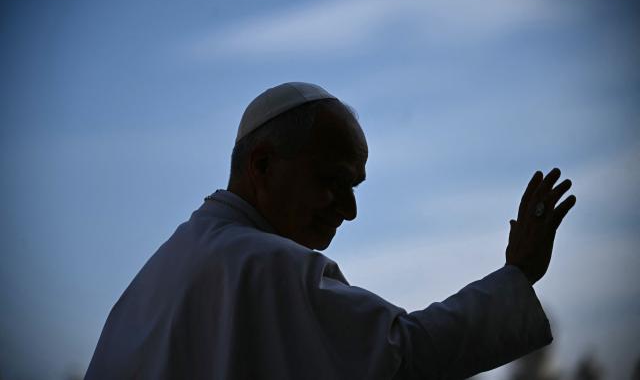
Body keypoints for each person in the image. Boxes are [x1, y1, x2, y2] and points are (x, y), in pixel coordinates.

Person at [85, 82, 576, 379]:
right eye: (332, 182)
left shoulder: (151, 282)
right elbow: (404, 358)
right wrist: (517, 275)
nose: (350, 210)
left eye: (355, 186)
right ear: (262, 165)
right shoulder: (264, 264)